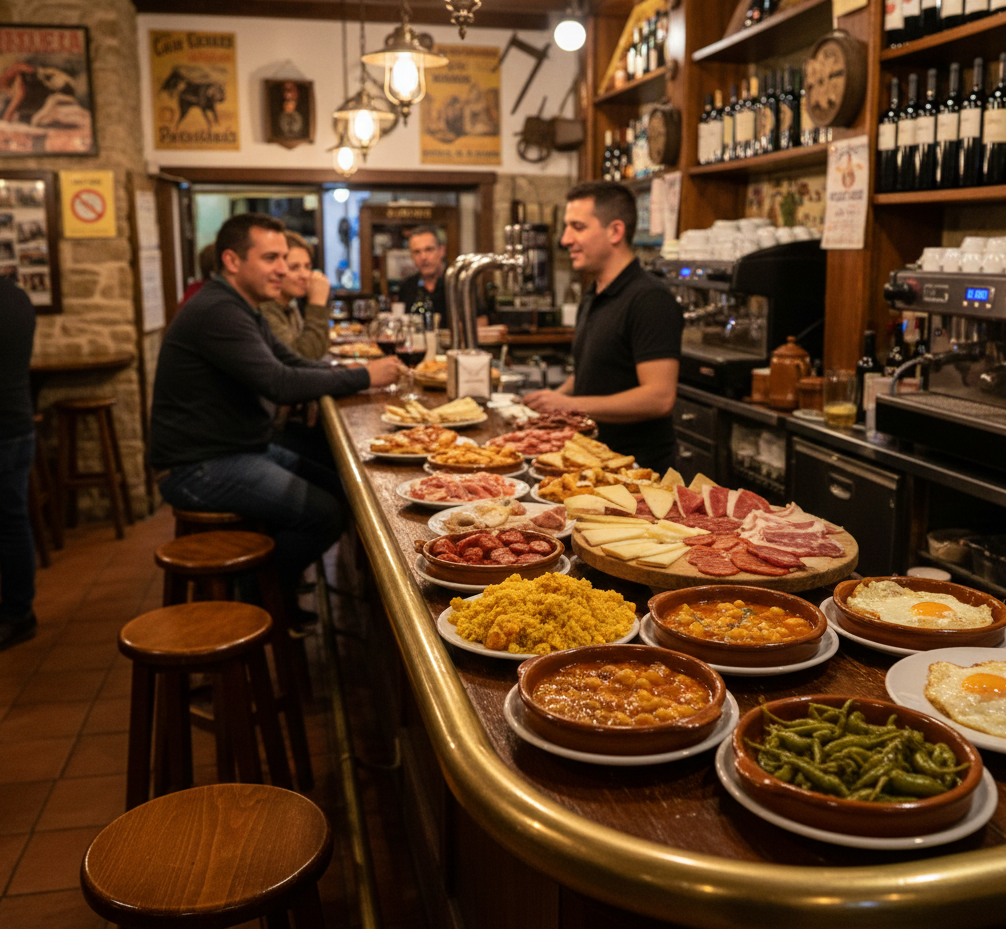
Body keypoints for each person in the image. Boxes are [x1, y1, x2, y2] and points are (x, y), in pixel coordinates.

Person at [150, 213, 403, 621]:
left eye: (285, 258)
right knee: (324, 514)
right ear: (232, 261)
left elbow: (292, 361)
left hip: (240, 448)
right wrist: (364, 375)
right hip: (197, 466)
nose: (283, 269)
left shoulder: (241, 306)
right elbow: (280, 382)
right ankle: (257, 599)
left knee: (343, 489)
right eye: (272, 258)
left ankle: (270, 589)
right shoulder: (219, 311)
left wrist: (357, 378)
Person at [523, 181, 683, 473]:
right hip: (593, 461)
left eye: (578, 227)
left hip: (636, 471)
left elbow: (659, 397)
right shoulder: (595, 292)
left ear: (615, 231)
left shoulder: (650, 299)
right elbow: (591, 370)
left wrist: (569, 406)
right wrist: (552, 402)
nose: (565, 239)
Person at [0, 278, 38, 650]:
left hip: (4, 428)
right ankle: (17, 610)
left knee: (10, 525)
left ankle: (15, 614)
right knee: (13, 522)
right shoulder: (17, 297)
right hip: (18, 421)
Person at [259, 231, 331, 360]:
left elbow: (320, 350)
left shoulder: (290, 303)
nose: (304, 275)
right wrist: (317, 304)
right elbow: (302, 358)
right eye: (294, 268)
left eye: (307, 267)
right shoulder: (265, 310)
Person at [397, 225, 447, 323]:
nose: (423, 257)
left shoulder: (458, 284)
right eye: (417, 252)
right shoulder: (407, 287)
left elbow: (480, 321)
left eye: (429, 250)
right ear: (411, 256)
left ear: (441, 251)